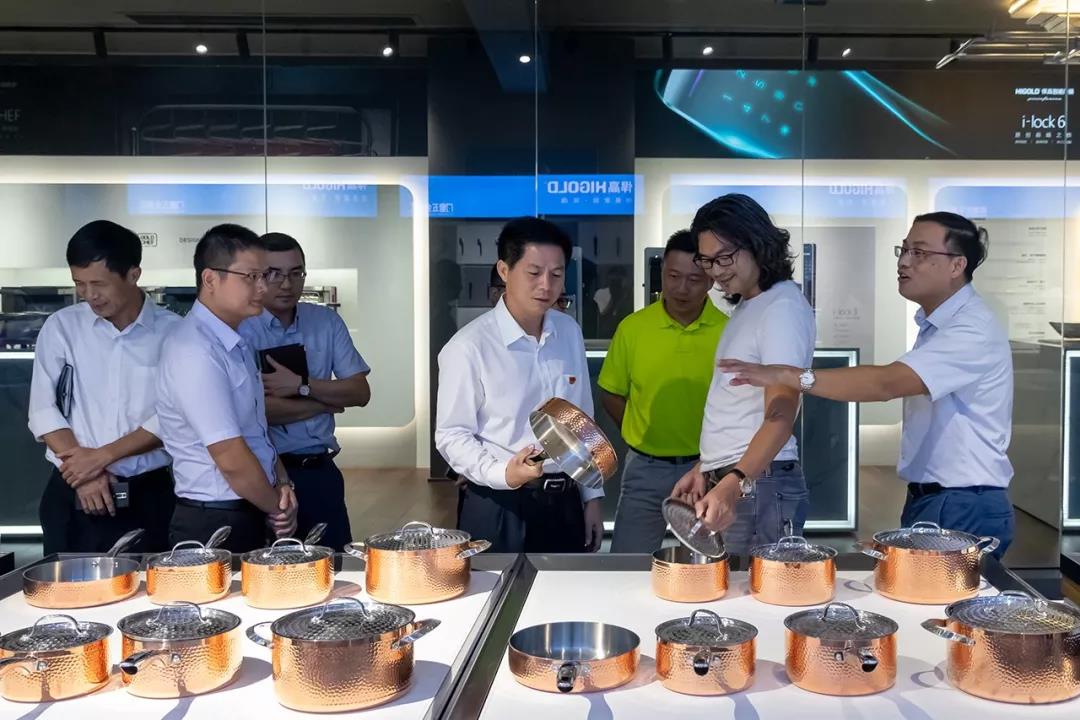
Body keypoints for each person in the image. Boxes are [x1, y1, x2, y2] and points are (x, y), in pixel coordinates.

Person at [717, 212, 1014, 558]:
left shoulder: (972, 328)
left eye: (919, 253)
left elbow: (887, 383)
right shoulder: (938, 325)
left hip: (962, 504)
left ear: (957, 265)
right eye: (903, 250)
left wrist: (789, 376)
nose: (904, 262)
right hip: (937, 499)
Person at [436, 217, 604, 553]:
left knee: (566, 587)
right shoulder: (469, 346)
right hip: (499, 503)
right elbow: (451, 434)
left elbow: (582, 422)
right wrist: (503, 473)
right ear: (504, 270)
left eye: (556, 274)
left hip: (565, 501)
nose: (546, 285)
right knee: (495, 586)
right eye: (534, 272)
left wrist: (592, 496)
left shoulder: (568, 332)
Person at [670, 194, 816, 555]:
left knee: (754, 588)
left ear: (757, 244)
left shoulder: (781, 307)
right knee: (735, 585)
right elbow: (739, 407)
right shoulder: (751, 305)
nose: (715, 271)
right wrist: (706, 465)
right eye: (707, 260)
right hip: (746, 479)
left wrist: (734, 481)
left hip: (758, 483)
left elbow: (781, 413)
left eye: (724, 257)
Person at [29, 220, 181, 555]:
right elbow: (42, 410)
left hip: (147, 494)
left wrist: (101, 457)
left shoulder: (174, 334)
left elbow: (173, 416)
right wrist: (85, 474)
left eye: (99, 284)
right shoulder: (62, 327)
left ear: (133, 274)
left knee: (149, 584)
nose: (89, 295)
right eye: (79, 284)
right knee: (64, 583)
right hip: (71, 491)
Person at [156, 224, 297, 553]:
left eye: (265, 275)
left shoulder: (236, 340)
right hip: (215, 518)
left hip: (250, 505)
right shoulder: (195, 349)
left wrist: (282, 484)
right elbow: (230, 456)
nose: (262, 287)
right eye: (251, 277)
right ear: (210, 279)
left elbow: (256, 432)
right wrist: (277, 509)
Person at [239, 232, 371, 552]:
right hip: (265, 473)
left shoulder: (325, 321)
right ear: (256, 276)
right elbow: (254, 414)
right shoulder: (241, 328)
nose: (286, 284)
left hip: (320, 469)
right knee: (272, 568)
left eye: (295, 273)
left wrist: (301, 385)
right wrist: (323, 403)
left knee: (333, 565)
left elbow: (359, 392)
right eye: (274, 274)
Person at [599, 229, 727, 553]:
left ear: (710, 280)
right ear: (662, 274)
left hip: (709, 469)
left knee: (712, 564)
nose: (682, 288)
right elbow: (611, 393)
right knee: (629, 562)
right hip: (645, 468)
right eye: (673, 276)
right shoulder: (633, 328)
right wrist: (636, 432)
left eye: (694, 279)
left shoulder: (729, 332)